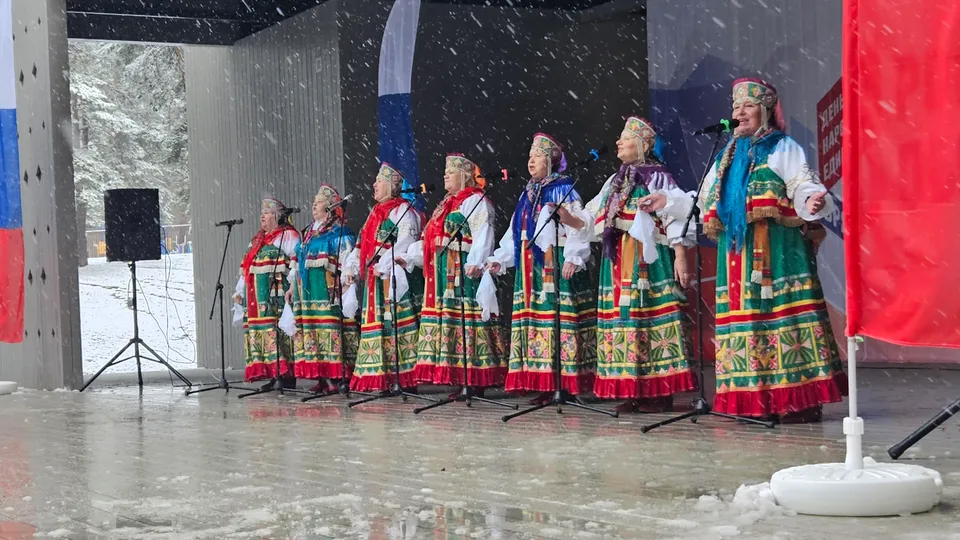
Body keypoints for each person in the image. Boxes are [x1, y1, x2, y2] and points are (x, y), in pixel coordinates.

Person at [646, 78, 847, 423]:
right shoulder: (725, 156)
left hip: (778, 252)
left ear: (766, 111)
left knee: (782, 319)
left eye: (748, 106)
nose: (739, 112)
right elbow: (704, 200)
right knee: (747, 324)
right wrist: (670, 201)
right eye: (735, 107)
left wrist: (814, 199)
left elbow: (801, 183)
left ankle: (797, 401)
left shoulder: (782, 147)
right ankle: (754, 398)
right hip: (736, 256)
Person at [582, 116, 697, 413]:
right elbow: (590, 215)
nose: (619, 142)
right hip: (619, 260)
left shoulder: (657, 176)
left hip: (649, 261)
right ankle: (634, 389)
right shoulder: (615, 182)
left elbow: (675, 217)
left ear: (644, 144)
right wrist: (566, 218)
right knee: (626, 322)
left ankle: (658, 392)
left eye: (626, 137)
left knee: (647, 319)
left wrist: (681, 256)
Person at [484, 133, 596, 404]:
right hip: (529, 269)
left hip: (553, 265)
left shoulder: (563, 189)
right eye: (529, 156)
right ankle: (544, 383)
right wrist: (502, 258)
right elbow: (517, 232)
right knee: (536, 322)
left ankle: (565, 384)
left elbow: (576, 225)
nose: (530, 161)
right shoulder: (528, 194)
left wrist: (574, 256)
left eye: (536, 156)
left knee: (558, 319)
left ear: (550, 160)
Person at [405, 154, 506, 394]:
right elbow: (430, 239)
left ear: (466, 175)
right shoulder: (446, 204)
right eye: (445, 171)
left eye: (451, 170)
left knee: (467, 320)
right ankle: (460, 377)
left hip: (464, 270)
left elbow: (484, 232)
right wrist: (412, 257)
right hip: (444, 274)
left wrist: (477, 261)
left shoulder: (476, 200)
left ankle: (475, 379)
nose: (445, 174)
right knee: (451, 320)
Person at [341, 163, 425, 392]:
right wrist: (351, 269)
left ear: (392, 185)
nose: (374, 185)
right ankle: (383, 377)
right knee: (381, 326)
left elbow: (407, 241)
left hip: (393, 279)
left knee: (397, 324)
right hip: (374, 282)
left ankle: (406, 379)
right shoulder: (374, 214)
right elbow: (360, 246)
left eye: (379, 181)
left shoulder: (404, 211)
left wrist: (386, 262)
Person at [286, 184, 358, 394]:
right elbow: (296, 263)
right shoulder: (308, 232)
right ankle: (319, 375)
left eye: (318, 202)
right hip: (306, 294)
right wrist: (291, 287)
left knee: (330, 331)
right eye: (314, 202)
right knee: (311, 333)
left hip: (327, 293)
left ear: (329, 206)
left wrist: (346, 285)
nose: (313, 206)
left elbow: (347, 260)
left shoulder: (339, 232)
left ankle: (335, 376)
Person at [233, 197, 301, 389]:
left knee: (278, 332)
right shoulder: (257, 240)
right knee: (262, 333)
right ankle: (273, 373)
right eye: (262, 212)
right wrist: (239, 290)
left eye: (267, 212)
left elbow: (295, 263)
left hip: (276, 295)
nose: (262, 216)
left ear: (278, 216)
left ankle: (286, 375)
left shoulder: (288, 236)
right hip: (256, 298)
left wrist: (292, 286)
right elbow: (247, 267)